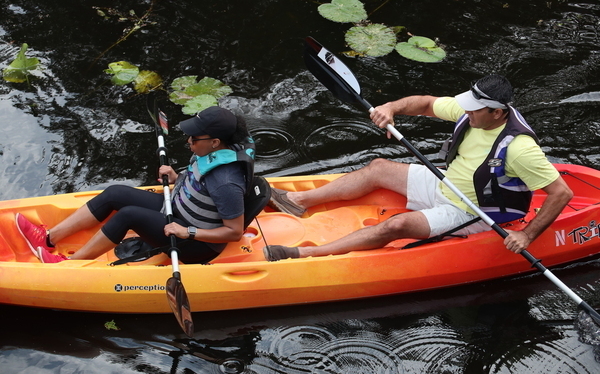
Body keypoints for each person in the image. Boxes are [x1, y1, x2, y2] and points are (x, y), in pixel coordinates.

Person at [264, 74, 573, 261]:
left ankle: (309, 253)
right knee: (378, 168)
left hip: (474, 211)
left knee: (397, 226)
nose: (465, 111)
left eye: (474, 109)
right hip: (446, 183)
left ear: (496, 112)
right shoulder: (474, 109)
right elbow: (425, 103)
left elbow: (561, 193)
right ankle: (298, 202)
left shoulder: (520, 149)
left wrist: (528, 236)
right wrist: (391, 108)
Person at [17, 106, 256, 264]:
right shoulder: (211, 151)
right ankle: (48, 238)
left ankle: (72, 264)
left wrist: (187, 232)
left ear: (215, 142)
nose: (188, 140)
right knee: (115, 193)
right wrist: (177, 177)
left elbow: (234, 232)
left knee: (128, 215)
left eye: (194, 137)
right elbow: (198, 181)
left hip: (197, 243)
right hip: (177, 210)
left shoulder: (226, 181)